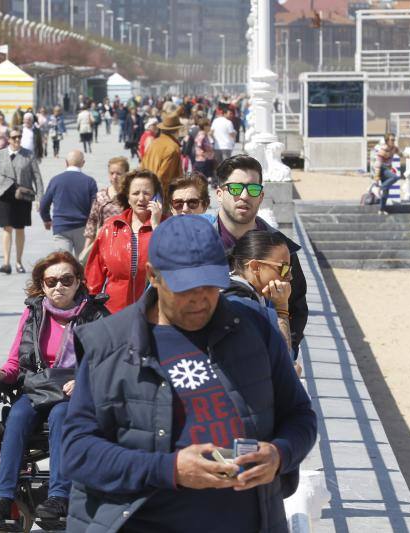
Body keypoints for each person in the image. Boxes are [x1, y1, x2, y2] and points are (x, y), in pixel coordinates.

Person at [62, 215, 317, 533]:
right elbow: (77, 451)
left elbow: (300, 416)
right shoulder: (109, 344)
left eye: (211, 285)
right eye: (185, 288)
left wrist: (280, 454)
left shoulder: (255, 326)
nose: (201, 298)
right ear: (153, 276)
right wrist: (169, 469)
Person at [0, 251, 109, 528]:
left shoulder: (95, 314)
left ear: (78, 281)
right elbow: (15, 361)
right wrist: (0, 373)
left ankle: (58, 496)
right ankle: (3, 498)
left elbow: (111, 362)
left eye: (66, 279)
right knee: (18, 416)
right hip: (37, 388)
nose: (58, 286)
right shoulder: (33, 314)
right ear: (42, 284)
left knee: (62, 415)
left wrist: (85, 380)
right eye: (51, 281)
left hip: (77, 392)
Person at [212, 154, 308, 357]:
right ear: (219, 194)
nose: (245, 196)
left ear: (261, 196)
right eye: (236, 188)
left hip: (266, 360)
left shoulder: (282, 249)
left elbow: (297, 307)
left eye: (253, 189)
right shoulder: (199, 244)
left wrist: (287, 356)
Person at [85, 170, 163, 314]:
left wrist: (156, 226)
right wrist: (90, 310)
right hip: (114, 312)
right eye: (135, 193)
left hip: (154, 312)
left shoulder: (166, 226)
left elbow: (170, 265)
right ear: (127, 197)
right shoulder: (111, 227)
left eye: (147, 193)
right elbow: (93, 278)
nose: (141, 198)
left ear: (156, 196)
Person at [226, 230, 296, 368]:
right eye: (284, 268)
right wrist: (282, 308)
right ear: (255, 267)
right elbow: (282, 360)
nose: (289, 276)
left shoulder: (228, 287)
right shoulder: (244, 304)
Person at [0, 127, 44, 275]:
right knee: (7, 227)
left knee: (20, 228)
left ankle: (18, 262)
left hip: (22, 196)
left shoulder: (28, 155)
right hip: (4, 195)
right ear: (8, 139)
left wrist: (40, 198)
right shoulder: (0, 154)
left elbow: (37, 177)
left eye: (19, 137)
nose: (17, 140)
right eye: (14, 137)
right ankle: (6, 262)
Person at [39, 150, 98, 257]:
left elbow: (44, 204)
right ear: (83, 163)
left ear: (66, 162)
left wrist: (46, 219)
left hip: (61, 227)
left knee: (63, 262)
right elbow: (95, 207)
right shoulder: (89, 181)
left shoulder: (56, 180)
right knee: (83, 264)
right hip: (83, 228)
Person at [83, 156, 128, 251]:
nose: (114, 177)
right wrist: (86, 248)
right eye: (112, 173)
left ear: (126, 174)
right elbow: (92, 221)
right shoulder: (101, 195)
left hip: (125, 243)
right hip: (104, 242)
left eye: (118, 173)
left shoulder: (131, 196)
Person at [141, 114, 185, 199]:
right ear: (177, 130)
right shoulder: (172, 148)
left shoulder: (154, 142)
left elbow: (142, 165)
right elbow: (164, 177)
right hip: (161, 195)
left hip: (146, 189)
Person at [374, 133, 401, 214]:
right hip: (382, 168)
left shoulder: (394, 148)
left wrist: (409, 155)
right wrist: (377, 177)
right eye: (392, 140)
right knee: (395, 177)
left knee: (386, 192)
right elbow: (377, 164)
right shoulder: (383, 150)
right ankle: (378, 188)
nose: (393, 141)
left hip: (387, 168)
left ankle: (381, 209)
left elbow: (401, 154)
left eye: (394, 139)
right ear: (387, 141)